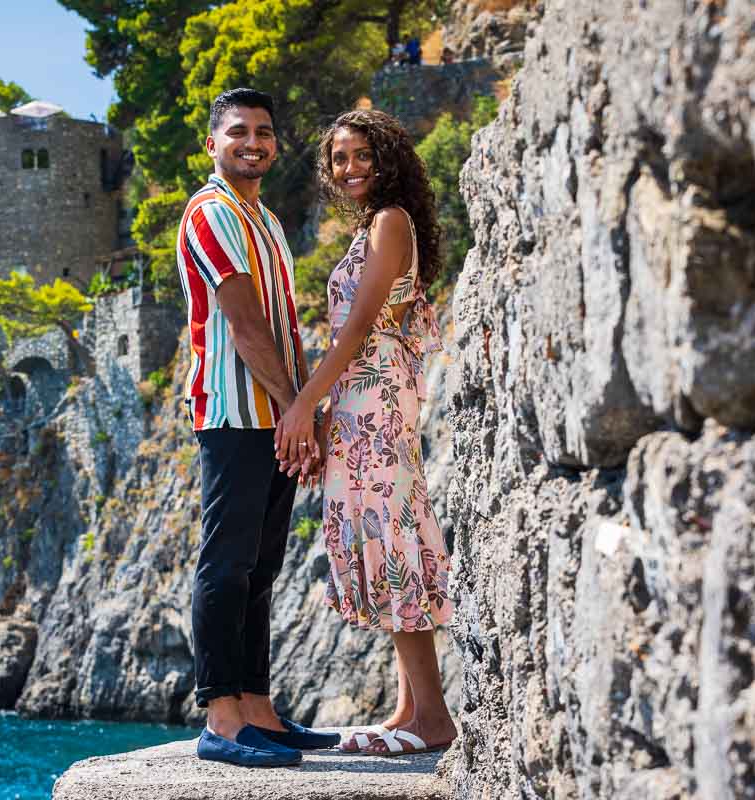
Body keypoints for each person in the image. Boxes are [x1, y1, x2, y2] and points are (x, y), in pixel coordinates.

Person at [274, 108, 457, 756]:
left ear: (386, 158)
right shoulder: (374, 227)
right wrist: (325, 410)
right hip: (359, 400)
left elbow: (356, 330)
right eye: (338, 158)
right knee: (380, 536)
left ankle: (432, 717)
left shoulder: (391, 221)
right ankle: (410, 707)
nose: (348, 168)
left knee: (393, 534)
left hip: (377, 400)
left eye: (360, 155)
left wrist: (302, 407)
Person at [175, 87, 340, 768]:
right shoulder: (210, 213)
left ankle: (260, 710)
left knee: (261, 567)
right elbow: (243, 325)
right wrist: (297, 407)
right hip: (234, 415)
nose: (253, 142)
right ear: (212, 144)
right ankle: (220, 719)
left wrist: (299, 409)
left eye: (265, 132)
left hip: (276, 413)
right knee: (226, 563)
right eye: (238, 132)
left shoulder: (265, 220)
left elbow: (284, 327)